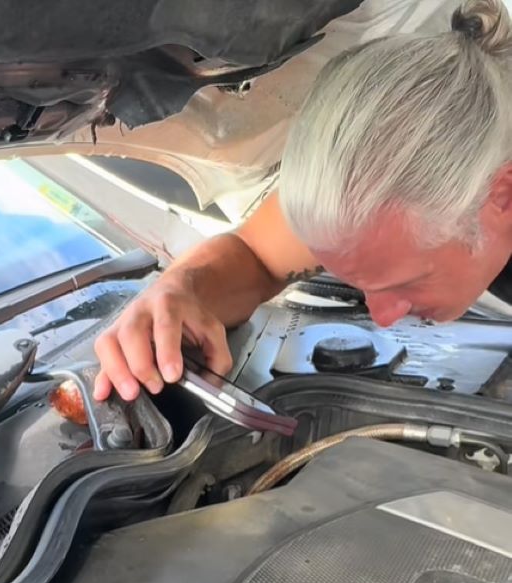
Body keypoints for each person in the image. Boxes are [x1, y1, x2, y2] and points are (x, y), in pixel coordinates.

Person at [94, 0, 512, 403]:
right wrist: (178, 292)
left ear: (502, 195)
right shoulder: (386, 202)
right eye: (367, 283)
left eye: (405, 282)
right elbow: (256, 255)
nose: (383, 317)